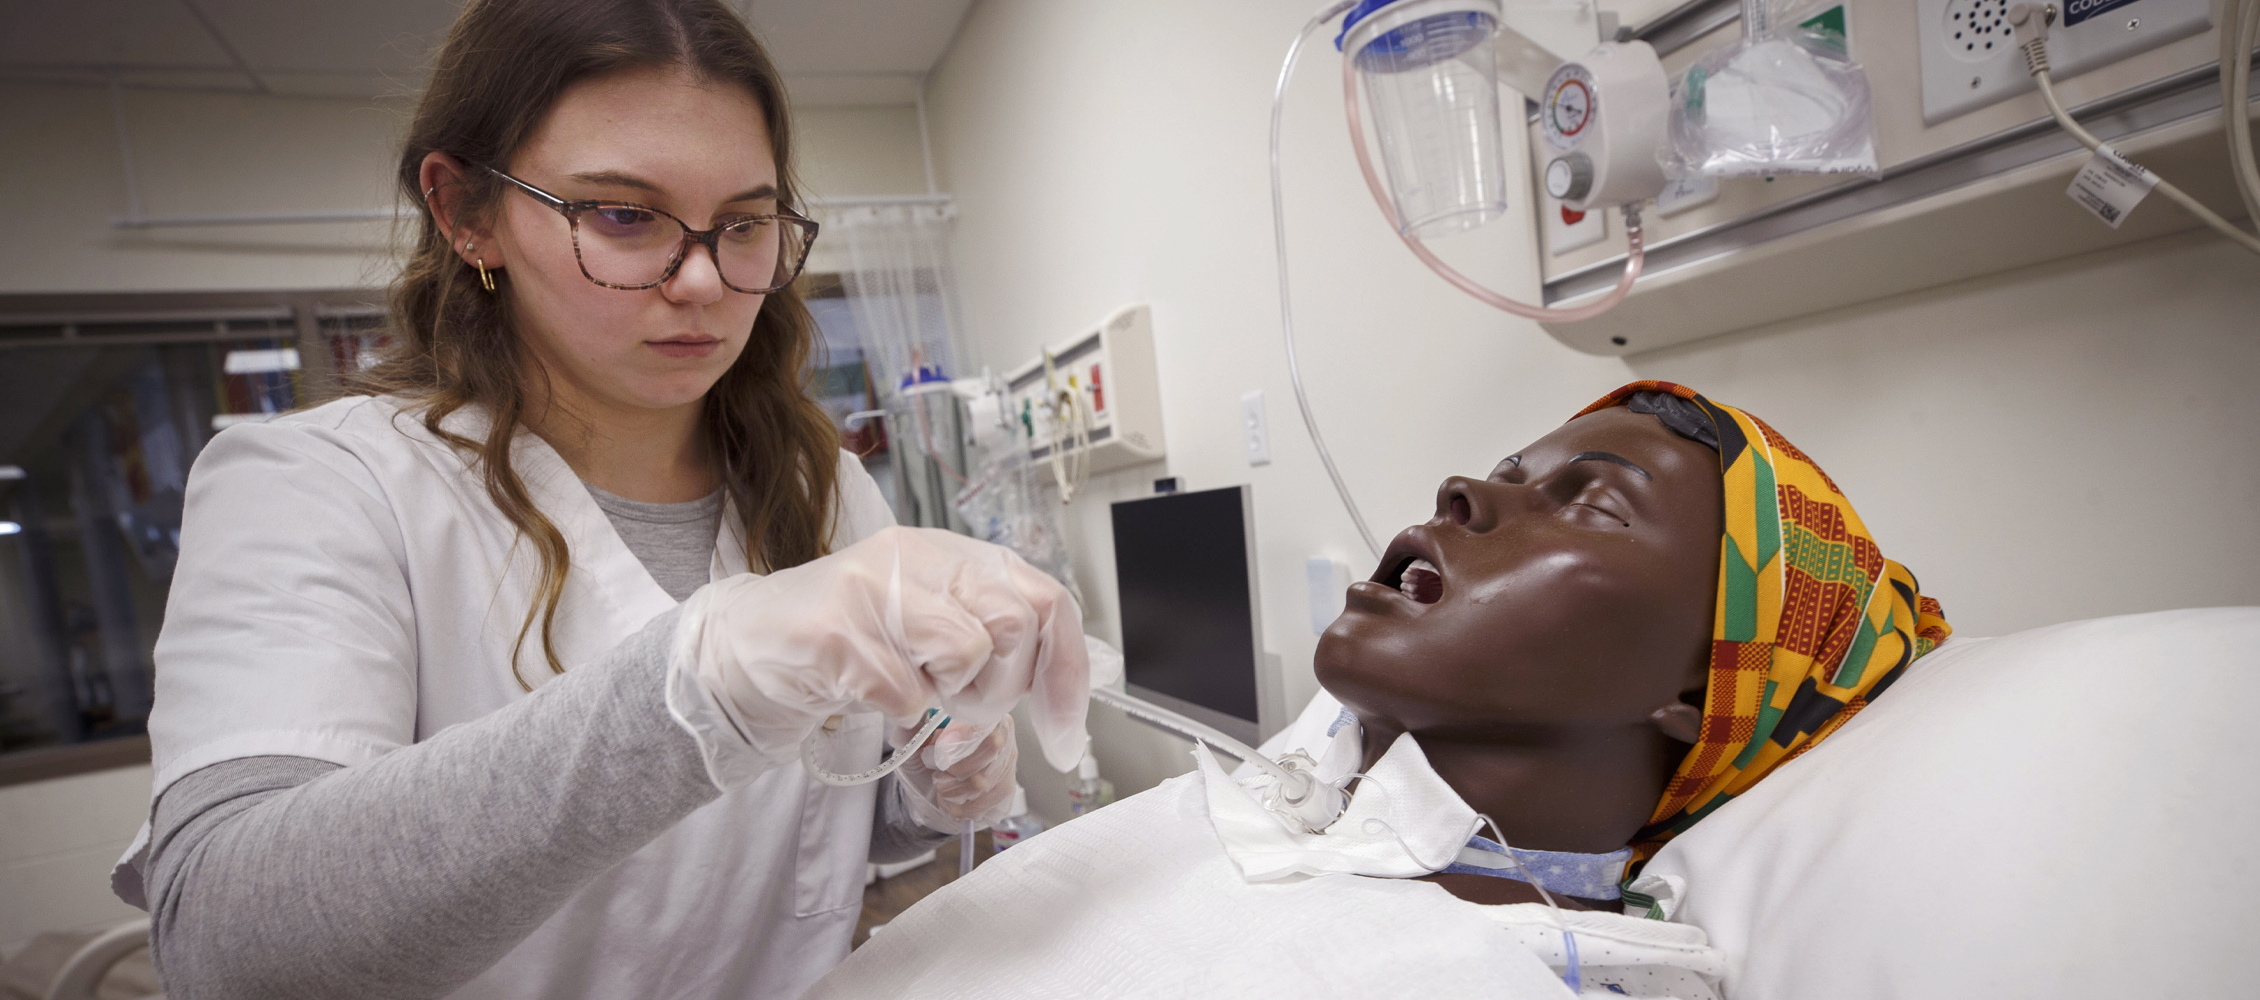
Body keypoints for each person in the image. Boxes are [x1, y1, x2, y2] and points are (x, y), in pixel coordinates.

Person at [106, 2, 1089, 998]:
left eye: (744, 224)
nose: (703, 278)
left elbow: (801, 838)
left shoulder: (817, 484)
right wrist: (695, 687)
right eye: (623, 216)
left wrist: (929, 776)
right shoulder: (318, 482)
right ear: (464, 211)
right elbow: (227, 940)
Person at [801, 381, 1951, 999]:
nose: (1461, 490)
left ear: (1709, 691)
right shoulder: (1221, 824)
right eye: (1508, 472)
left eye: (1593, 504)